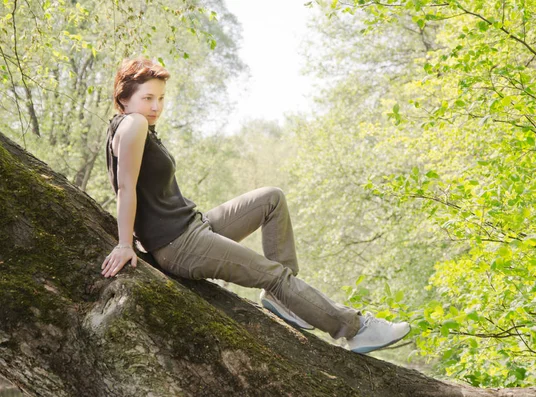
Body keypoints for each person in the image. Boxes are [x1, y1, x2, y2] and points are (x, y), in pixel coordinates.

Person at [101, 57, 410, 354]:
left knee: (271, 199)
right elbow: (125, 189)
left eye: (161, 98)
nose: (156, 107)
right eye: (148, 98)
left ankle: (285, 299)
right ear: (125, 98)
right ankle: (355, 329)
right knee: (273, 274)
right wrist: (124, 244)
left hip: (193, 225)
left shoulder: (130, 125)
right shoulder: (135, 124)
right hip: (178, 245)